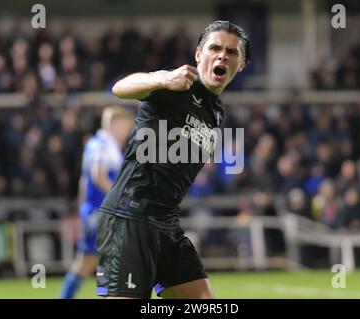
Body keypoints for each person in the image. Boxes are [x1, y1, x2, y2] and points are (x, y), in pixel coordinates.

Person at [96, 20, 250, 299]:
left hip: (166, 223)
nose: (222, 55)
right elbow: (120, 88)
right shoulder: (177, 82)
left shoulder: (216, 112)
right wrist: (162, 79)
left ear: (241, 64)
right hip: (131, 216)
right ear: (198, 54)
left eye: (231, 52)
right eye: (215, 48)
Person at [60, 106, 134, 298]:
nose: (128, 131)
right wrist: (119, 197)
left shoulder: (98, 144)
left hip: (95, 211)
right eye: (126, 126)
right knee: (112, 259)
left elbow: (84, 182)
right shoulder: (104, 144)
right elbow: (98, 175)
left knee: (88, 261)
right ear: (114, 124)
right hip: (102, 212)